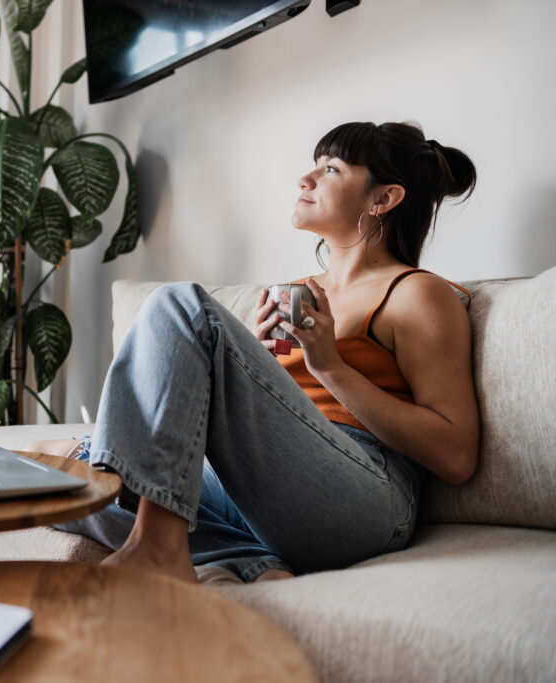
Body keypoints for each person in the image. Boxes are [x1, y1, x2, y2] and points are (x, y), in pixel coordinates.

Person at [26, 121, 480, 584]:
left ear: (383, 199)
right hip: (269, 500)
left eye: (331, 169)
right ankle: (252, 560)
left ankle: (159, 548)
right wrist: (247, 364)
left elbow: (456, 455)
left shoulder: (417, 294)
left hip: (368, 495)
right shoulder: (300, 293)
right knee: (47, 474)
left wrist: (329, 366)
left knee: (178, 305)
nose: (306, 179)